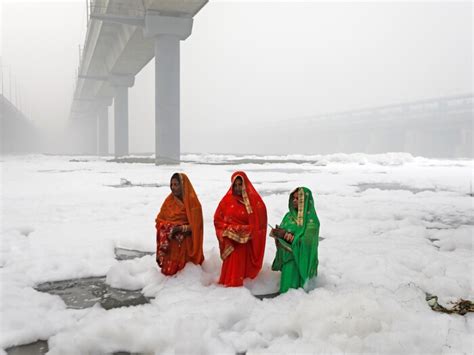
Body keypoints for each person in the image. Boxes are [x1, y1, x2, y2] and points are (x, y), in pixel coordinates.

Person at [214, 171, 267, 286]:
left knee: (243, 273)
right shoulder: (226, 201)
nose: (238, 188)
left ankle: (242, 288)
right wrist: (231, 230)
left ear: (245, 184)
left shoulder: (254, 202)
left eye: (240, 185)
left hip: (246, 243)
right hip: (232, 242)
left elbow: (260, 222)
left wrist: (249, 229)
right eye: (235, 185)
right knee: (232, 271)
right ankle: (230, 288)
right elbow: (217, 220)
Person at [270, 187, 320, 293]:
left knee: (293, 293)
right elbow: (284, 231)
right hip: (287, 260)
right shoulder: (289, 216)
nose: (294, 201)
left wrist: (285, 235)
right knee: (286, 291)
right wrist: (278, 233)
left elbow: (307, 244)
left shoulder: (312, 222)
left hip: (299, 262)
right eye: (293, 198)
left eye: (298, 199)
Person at [155, 173, 204, 275]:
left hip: (186, 244)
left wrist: (181, 229)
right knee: (169, 276)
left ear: (183, 185)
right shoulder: (169, 201)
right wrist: (168, 228)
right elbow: (159, 220)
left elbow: (196, 227)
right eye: (171, 185)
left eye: (176, 184)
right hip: (171, 244)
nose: (173, 188)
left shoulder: (193, 204)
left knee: (184, 274)